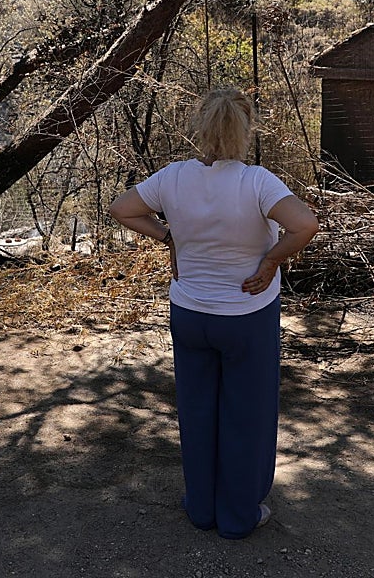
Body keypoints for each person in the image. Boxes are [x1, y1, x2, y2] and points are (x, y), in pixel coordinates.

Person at [108, 88, 319, 539]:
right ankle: (239, 516)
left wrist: (170, 238)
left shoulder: (173, 178)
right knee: (247, 415)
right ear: (246, 129)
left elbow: (122, 209)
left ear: (200, 127)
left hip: (189, 314)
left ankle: (201, 508)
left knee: (197, 410)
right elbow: (305, 225)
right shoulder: (257, 182)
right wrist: (270, 261)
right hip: (246, 317)